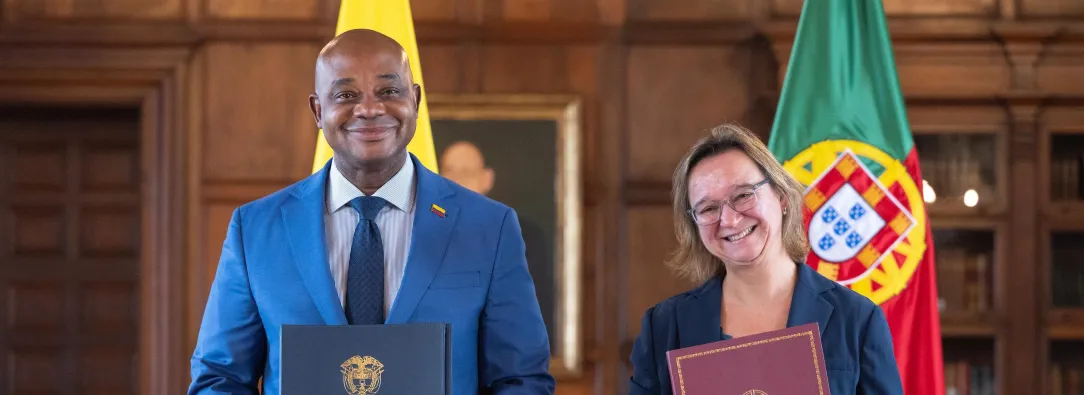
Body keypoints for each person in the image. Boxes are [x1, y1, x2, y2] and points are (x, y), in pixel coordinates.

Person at [188, 29, 555, 395]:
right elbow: (219, 377)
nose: (368, 109)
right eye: (346, 95)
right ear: (318, 110)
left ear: (415, 100)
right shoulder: (254, 230)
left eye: (388, 91)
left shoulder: (490, 227)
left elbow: (521, 379)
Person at [627, 123, 903, 395]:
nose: (730, 219)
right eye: (708, 208)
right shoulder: (663, 326)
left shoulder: (857, 320)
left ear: (781, 196)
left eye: (744, 195)